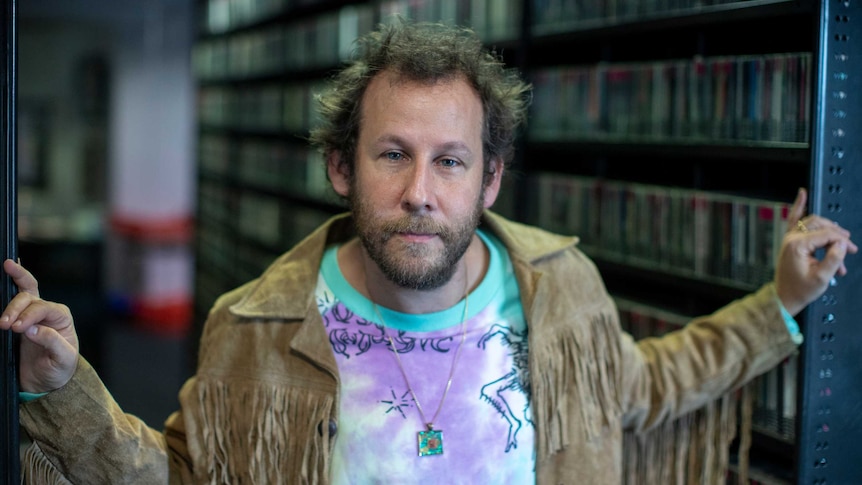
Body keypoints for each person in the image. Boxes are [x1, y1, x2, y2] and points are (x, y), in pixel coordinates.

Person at [2, 20, 857, 484]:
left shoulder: (562, 291)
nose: (420, 190)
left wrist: (778, 301)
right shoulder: (255, 324)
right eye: (391, 153)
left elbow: (652, 386)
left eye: (450, 161)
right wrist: (63, 388)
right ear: (342, 166)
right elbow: (181, 476)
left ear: (489, 181)